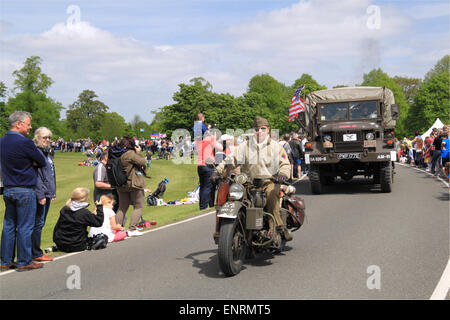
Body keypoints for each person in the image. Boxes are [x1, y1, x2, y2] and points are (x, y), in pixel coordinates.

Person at [211, 116, 292, 241]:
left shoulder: (276, 147)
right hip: (247, 183)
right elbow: (230, 160)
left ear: (268, 130)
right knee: (232, 197)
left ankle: (274, 227)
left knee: (271, 193)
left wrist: (282, 174)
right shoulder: (245, 146)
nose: (259, 131)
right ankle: (230, 226)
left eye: (262, 128)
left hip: (268, 181)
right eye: (256, 129)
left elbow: (285, 164)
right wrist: (217, 171)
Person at [0, 111, 47, 272]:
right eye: (28, 124)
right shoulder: (25, 143)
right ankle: (24, 261)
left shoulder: (2, 141)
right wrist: (31, 162)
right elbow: (42, 161)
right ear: (18, 124)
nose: (30, 127)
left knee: (9, 225)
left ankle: (5, 260)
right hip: (25, 189)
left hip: (8, 188)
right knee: (25, 226)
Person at [111, 137, 147, 236]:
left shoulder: (115, 153)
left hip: (120, 184)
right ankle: (132, 229)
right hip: (133, 183)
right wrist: (138, 152)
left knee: (122, 208)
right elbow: (143, 162)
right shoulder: (130, 154)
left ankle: (117, 230)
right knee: (138, 206)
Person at [31, 127, 56, 262]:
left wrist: (53, 192)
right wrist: (41, 195)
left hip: (48, 192)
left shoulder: (46, 152)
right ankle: (36, 253)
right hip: (40, 193)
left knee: (41, 222)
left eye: (48, 137)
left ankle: (34, 251)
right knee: (38, 223)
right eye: (44, 137)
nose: (47, 140)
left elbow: (51, 174)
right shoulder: (37, 152)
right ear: (37, 138)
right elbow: (37, 177)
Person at [53, 188, 104, 252]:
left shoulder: (64, 209)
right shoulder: (84, 213)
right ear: (85, 199)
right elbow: (98, 222)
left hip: (60, 244)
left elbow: (57, 228)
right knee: (102, 238)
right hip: (77, 245)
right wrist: (99, 207)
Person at [194, 114, 222, 210]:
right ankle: (206, 206)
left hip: (200, 165)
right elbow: (220, 147)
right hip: (208, 165)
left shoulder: (198, 141)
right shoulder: (209, 139)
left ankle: (202, 206)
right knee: (207, 187)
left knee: (202, 187)